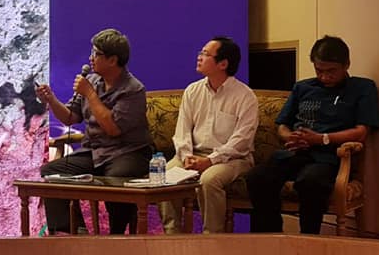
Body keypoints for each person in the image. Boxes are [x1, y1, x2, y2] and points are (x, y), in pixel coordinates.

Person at [246, 35, 379, 235]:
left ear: (346, 65)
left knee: (310, 182)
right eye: (319, 71)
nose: (324, 77)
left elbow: (361, 131)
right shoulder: (303, 87)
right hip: (295, 153)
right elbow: (282, 125)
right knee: (257, 177)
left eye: (331, 71)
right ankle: (271, 236)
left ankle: (309, 239)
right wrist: (289, 137)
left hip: (329, 157)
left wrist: (321, 139)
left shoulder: (362, 88)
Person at [36, 28, 151, 235]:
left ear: (113, 60)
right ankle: (73, 230)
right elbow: (70, 117)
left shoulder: (133, 90)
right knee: (52, 172)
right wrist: (51, 99)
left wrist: (89, 93)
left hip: (127, 152)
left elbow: (113, 129)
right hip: (95, 151)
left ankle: (117, 235)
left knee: (117, 178)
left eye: (96, 54)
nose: (91, 58)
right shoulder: (93, 81)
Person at [158, 37, 258, 234]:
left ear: (223, 64)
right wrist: (186, 156)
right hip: (194, 154)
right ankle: (172, 235)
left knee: (209, 179)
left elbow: (241, 141)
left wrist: (210, 160)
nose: (199, 57)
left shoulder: (245, 96)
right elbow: (182, 131)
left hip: (233, 159)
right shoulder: (193, 91)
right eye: (201, 52)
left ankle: (212, 237)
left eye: (205, 54)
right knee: (165, 175)